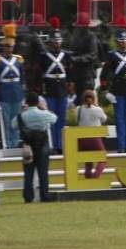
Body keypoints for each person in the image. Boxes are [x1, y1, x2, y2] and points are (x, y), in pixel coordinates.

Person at [14, 91, 57, 203]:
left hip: (28, 145)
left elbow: (13, 125)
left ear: (27, 102)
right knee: (43, 172)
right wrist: (43, 109)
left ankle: (28, 196)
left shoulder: (22, 115)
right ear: (38, 102)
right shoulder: (42, 114)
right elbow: (54, 118)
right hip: (42, 143)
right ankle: (45, 195)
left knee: (28, 173)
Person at [0, 23, 25, 149]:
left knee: (16, 121)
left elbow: (22, 79)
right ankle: (7, 143)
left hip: (17, 92)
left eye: (11, 47)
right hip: (4, 93)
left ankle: (15, 143)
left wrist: (23, 94)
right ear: (3, 47)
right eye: (7, 47)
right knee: (6, 121)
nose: (9, 49)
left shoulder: (19, 60)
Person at [102, 30, 126, 153]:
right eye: (122, 41)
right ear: (118, 42)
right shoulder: (112, 55)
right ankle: (121, 145)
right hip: (118, 89)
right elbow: (104, 74)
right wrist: (105, 91)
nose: (124, 43)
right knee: (120, 119)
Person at [40, 24, 71, 153]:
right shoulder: (44, 55)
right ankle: (52, 144)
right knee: (51, 118)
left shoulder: (66, 55)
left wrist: (71, 90)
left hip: (62, 90)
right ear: (50, 42)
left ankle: (60, 145)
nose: (57, 43)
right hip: (50, 89)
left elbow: (70, 73)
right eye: (54, 41)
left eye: (58, 41)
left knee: (62, 119)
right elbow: (40, 73)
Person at [69, 15, 103, 104]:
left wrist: (77, 59)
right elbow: (72, 51)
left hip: (87, 73)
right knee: (78, 101)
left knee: (87, 100)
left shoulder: (91, 37)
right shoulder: (75, 37)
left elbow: (93, 55)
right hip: (77, 74)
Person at [76, 90, 108, 178]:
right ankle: (96, 175)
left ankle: (88, 176)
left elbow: (76, 120)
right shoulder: (98, 110)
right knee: (102, 160)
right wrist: (96, 104)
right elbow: (104, 119)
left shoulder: (78, 109)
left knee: (88, 160)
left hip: (82, 138)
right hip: (94, 138)